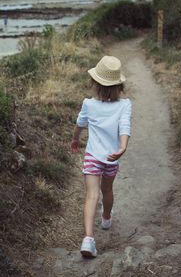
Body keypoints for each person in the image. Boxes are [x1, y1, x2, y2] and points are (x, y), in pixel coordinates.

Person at [71, 55, 132, 258]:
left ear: (95, 83)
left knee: (91, 196)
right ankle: (106, 217)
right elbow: (125, 126)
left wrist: (75, 140)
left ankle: (88, 239)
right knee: (107, 190)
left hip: (92, 156)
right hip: (111, 158)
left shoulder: (88, 104)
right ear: (119, 86)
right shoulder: (124, 105)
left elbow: (80, 125)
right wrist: (122, 147)